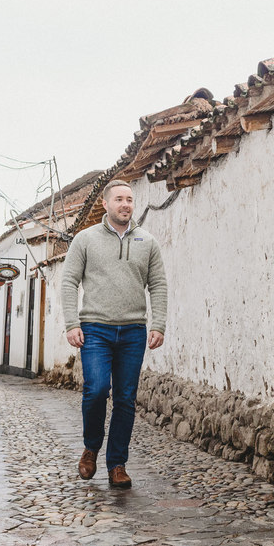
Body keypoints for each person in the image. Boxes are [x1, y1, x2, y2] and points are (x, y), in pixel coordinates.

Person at [62, 179, 167, 489]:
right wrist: (71, 323)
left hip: (134, 331)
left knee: (125, 398)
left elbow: (158, 284)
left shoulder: (147, 241)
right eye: (119, 199)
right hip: (95, 328)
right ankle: (91, 448)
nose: (126, 204)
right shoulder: (85, 239)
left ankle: (117, 463)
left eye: (130, 199)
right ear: (106, 204)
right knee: (96, 390)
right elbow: (69, 281)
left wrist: (158, 323)